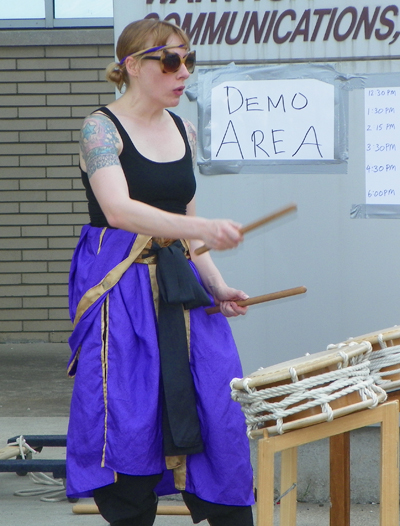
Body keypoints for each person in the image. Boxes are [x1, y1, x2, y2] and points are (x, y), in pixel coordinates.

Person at [65, 18, 255, 526]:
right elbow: (119, 209)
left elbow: (190, 228)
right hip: (122, 288)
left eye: (189, 60)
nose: (184, 72)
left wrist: (217, 286)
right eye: (171, 60)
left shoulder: (183, 129)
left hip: (177, 284)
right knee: (129, 413)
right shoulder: (100, 127)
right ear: (132, 65)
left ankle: (224, 510)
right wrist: (205, 227)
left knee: (216, 402)